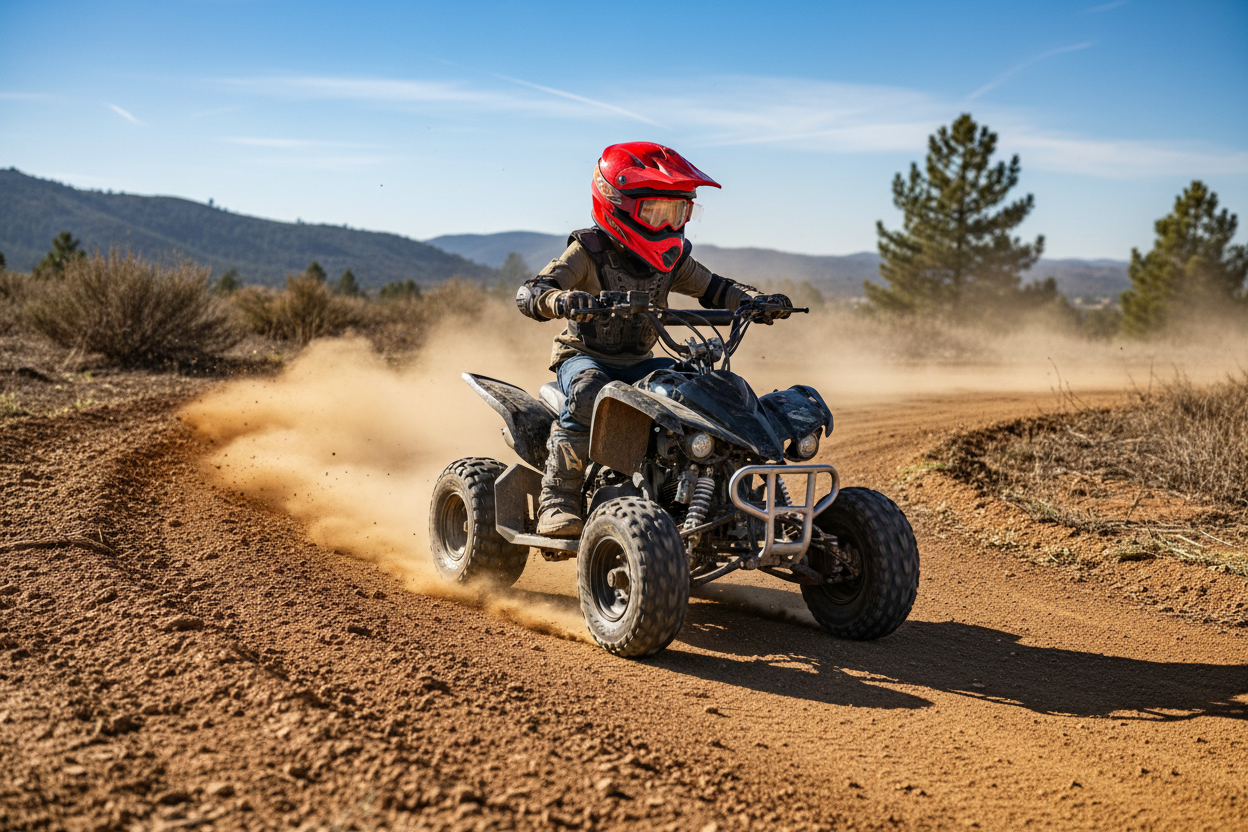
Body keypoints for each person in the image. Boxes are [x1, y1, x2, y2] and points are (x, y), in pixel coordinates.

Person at [515, 141, 792, 537]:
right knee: (589, 391)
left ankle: (709, 496)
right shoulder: (588, 252)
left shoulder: (672, 259)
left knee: (703, 389)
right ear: (616, 204)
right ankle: (558, 499)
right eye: (654, 212)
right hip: (585, 357)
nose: (666, 224)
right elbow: (533, 291)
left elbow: (714, 288)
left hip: (641, 362)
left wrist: (753, 302)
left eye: (676, 212)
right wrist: (561, 300)